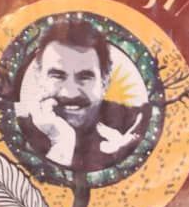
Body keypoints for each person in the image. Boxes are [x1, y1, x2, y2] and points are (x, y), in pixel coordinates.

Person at [16, 20, 148, 171]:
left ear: (104, 82)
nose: (70, 92)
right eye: (57, 76)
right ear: (39, 78)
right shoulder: (17, 135)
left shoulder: (135, 125)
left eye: (85, 77)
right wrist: (60, 143)